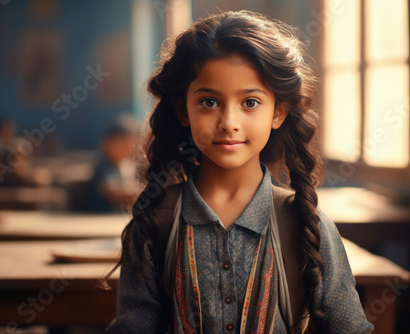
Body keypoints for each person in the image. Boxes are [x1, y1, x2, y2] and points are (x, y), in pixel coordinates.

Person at [105, 10, 373, 333]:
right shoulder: (152, 225)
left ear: (279, 112)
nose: (229, 122)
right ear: (182, 111)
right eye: (208, 102)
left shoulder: (306, 226)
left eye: (250, 103)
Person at [83, 114, 141, 212]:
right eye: (121, 144)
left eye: (131, 144)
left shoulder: (129, 166)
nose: (127, 148)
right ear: (106, 144)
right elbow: (114, 193)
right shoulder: (103, 167)